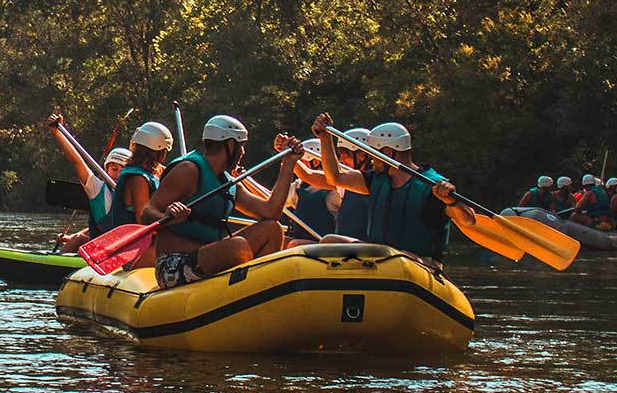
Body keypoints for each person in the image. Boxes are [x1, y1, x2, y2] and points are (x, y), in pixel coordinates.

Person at [140, 115, 301, 289]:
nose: (243, 153)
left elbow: (271, 212)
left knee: (272, 229)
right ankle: (249, 287)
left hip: (210, 256)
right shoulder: (188, 170)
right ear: (230, 145)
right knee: (236, 247)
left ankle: (260, 290)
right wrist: (167, 216)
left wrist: (288, 164)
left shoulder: (228, 183)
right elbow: (147, 212)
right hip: (172, 265)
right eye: (242, 147)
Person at [310, 114, 475, 269]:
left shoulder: (432, 185)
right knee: (328, 241)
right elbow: (336, 178)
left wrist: (451, 201)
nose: (372, 161)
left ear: (388, 153)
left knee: (393, 257)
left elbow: (469, 220)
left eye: (373, 155)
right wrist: (325, 138)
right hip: (380, 255)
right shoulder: (377, 179)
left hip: (419, 263)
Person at [49, 115, 172, 255]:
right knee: (78, 240)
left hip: (117, 241)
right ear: (106, 169)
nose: (117, 173)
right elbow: (78, 162)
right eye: (114, 169)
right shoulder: (98, 189)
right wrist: (58, 133)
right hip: (110, 248)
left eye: (121, 168)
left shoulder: (147, 177)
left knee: (79, 237)